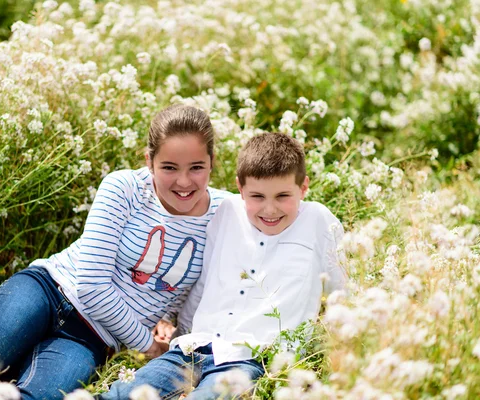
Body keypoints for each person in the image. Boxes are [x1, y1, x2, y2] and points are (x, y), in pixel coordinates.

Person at [0, 104, 230, 399]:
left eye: (197, 167)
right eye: (170, 167)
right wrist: (149, 346)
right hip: (48, 291)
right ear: (149, 161)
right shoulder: (124, 188)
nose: (184, 182)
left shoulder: (225, 215)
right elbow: (91, 287)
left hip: (91, 338)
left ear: (213, 163)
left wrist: (180, 339)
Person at [100, 132, 347, 400]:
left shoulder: (319, 221)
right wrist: (179, 333)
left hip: (252, 358)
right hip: (193, 348)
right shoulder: (228, 211)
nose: (270, 209)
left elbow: (343, 296)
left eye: (282, 196)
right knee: (122, 394)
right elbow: (205, 283)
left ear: (303, 188)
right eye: (257, 196)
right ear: (240, 188)